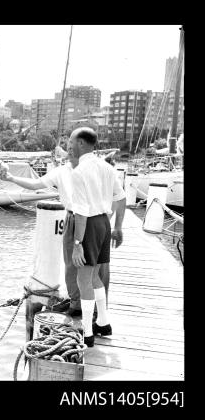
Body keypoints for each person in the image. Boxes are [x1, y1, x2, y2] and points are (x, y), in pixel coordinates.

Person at [1, 144, 110, 317]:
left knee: (98, 266)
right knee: (72, 263)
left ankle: (99, 309)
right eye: (70, 150)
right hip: (73, 217)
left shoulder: (99, 168)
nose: (70, 152)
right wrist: (11, 178)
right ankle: (76, 303)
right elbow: (36, 183)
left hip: (96, 218)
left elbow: (113, 196)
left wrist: (115, 225)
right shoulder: (61, 171)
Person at [68, 127, 126, 347]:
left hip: (90, 223)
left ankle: (87, 332)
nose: (69, 144)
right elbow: (121, 198)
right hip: (104, 222)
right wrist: (118, 227)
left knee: (83, 278)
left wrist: (76, 244)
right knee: (94, 277)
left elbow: (81, 212)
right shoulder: (107, 167)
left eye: (71, 140)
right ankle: (103, 321)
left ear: (81, 143)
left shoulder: (79, 172)